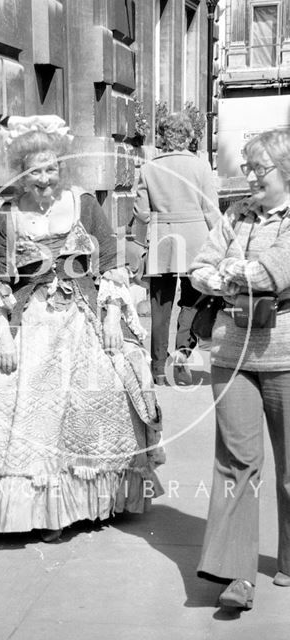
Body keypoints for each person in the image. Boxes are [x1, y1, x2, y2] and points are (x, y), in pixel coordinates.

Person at [0, 115, 164, 542]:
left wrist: (110, 319)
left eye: (50, 169)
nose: (44, 179)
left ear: (61, 167)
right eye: (34, 171)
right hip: (29, 319)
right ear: (21, 174)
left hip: (83, 314)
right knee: (6, 390)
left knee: (98, 393)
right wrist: (3, 333)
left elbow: (109, 258)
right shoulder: (8, 216)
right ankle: (37, 509)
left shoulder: (83, 203)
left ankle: (85, 504)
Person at [189, 127, 290, 609]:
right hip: (232, 353)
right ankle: (236, 576)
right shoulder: (235, 214)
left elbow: (272, 269)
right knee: (235, 463)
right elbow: (199, 269)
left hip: (286, 354)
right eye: (246, 166)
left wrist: (228, 274)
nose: (248, 175)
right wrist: (223, 275)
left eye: (259, 168)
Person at [133, 112, 219, 385]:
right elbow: (211, 210)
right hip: (196, 241)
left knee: (160, 306)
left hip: (163, 241)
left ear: (162, 137)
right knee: (194, 300)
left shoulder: (148, 168)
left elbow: (142, 213)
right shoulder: (201, 166)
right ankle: (183, 353)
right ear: (189, 136)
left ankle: (158, 368)